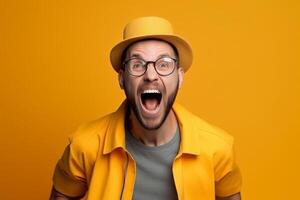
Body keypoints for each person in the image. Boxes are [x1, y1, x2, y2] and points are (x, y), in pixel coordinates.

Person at [50, 16, 242, 200]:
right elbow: (62, 194)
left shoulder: (217, 148)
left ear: (180, 77)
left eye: (164, 64)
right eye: (137, 64)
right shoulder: (84, 146)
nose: (151, 75)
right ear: (121, 78)